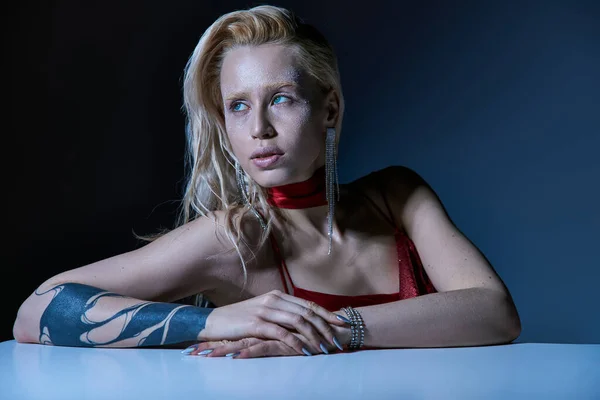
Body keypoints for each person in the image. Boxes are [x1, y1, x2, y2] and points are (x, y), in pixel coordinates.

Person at [12, 5, 521, 359]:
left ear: (330, 108)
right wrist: (214, 322)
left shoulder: (396, 196)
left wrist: (332, 330)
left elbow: (494, 312)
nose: (259, 128)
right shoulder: (233, 238)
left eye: (281, 98)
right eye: (238, 106)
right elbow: (36, 310)